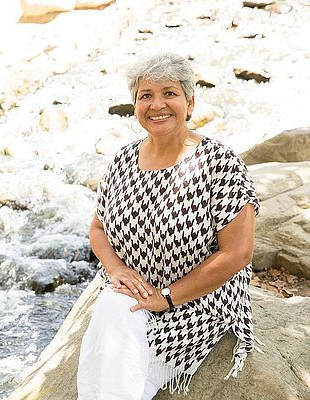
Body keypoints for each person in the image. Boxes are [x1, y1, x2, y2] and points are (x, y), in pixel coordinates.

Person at [76, 52, 261, 400]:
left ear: (189, 103)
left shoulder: (219, 163)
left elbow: (238, 253)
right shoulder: (123, 159)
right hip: (131, 292)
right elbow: (98, 230)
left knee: (118, 350)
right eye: (146, 95)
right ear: (134, 105)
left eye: (169, 93)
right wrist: (114, 268)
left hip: (197, 301)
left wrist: (166, 297)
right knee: (117, 312)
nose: (156, 104)